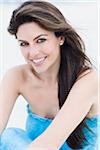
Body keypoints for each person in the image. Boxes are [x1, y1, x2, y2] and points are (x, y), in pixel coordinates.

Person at [0, 1, 99, 150]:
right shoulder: (17, 76)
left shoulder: (88, 79)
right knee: (9, 137)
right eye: (24, 44)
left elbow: (48, 144)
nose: (32, 53)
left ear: (61, 38)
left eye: (41, 40)